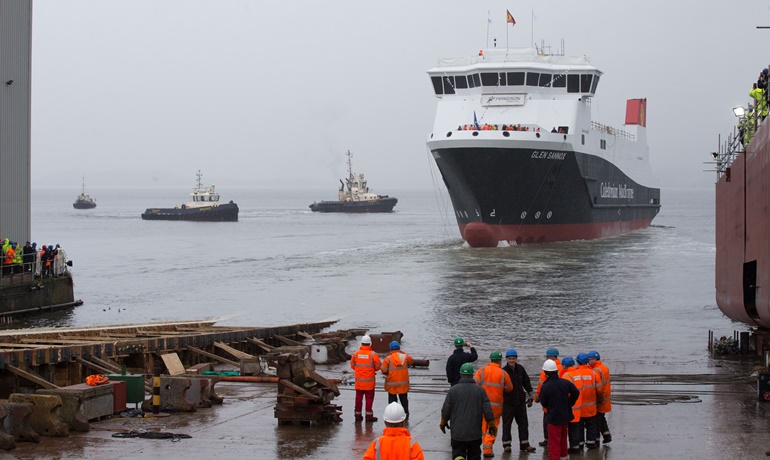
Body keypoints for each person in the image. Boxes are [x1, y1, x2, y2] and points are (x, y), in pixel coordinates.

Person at [441, 362, 496, 460]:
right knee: (474, 455)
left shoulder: (453, 390)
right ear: (472, 375)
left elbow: (446, 409)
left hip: (457, 434)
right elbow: (488, 410)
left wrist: (443, 421)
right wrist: (492, 424)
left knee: (458, 455)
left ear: (461, 375)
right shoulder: (480, 391)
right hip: (474, 434)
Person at [538, 360, 580, 460]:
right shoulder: (565, 383)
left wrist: (550, 407)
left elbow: (543, 401)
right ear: (556, 371)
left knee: (553, 442)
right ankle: (563, 457)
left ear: (545, 372)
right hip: (565, 416)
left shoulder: (546, 386)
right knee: (563, 440)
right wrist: (569, 403)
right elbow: (575, 392)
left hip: (553, 418)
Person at [501, 348, 536, 453]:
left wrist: (531, 396)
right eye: (510, 358)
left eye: (513, 358)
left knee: (523, 424)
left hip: (520, 402)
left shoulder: (520, 369)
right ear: (506, 359)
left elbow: (527, 383)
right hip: (508, 403)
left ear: (516, 359)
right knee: (507, 424)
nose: (512, 360)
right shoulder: (503, 371)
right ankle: (507, 445)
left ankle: (525, 444)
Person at [534, 347, 563, 447]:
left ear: (550, 357)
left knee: (547, 422)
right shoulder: (563, 367)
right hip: (561, 401)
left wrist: (537, 398)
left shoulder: (546, 369)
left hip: (548, 400)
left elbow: (541, 385)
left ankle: (547, 439)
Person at [380, 341, 414, 420]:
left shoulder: (388, 358)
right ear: (399, 348)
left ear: (391, 349)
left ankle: (392, 414)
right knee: (404, 399)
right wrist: (402, 352)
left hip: (392, 384)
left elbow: (383, 370)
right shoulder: (405, 356)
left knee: (392, 401)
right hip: (403, 384)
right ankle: (406, 413)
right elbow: (411, 361)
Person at [351, 335, 381, 422]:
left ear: (361, 343)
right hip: (369, 383)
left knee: (358, 399)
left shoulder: (355, 354)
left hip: (359, 383)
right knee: (369, 399)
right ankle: (369, 417)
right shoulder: (373, 354)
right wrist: (372, 370)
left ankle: (357, 416)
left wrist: (359, 370)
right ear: (370, 344)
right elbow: (378, 366)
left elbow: (352, 365)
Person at [559, 357, 583, 453]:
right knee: (576, 427)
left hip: (570, 406)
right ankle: (576, 446)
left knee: (569, 429)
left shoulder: (566, 376)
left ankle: (573, 448)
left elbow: (564, 392)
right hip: (578, 405)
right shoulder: (578, 374)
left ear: (564, 365)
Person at [588, 350, 612, 444]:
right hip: (605, 398)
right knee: (601, 418)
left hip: (600, 399)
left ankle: (597, 439)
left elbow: (598, 387)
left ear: (594, 359)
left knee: (597, 420)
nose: (588, 361)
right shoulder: (604, 368)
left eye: (589, 359)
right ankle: (607, 436)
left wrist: (597, 399)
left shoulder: (596, 370)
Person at [575, 352, 598, 449]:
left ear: (578, 362)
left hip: (579, 407)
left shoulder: (575, 374)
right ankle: (591, 443)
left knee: (579, 427)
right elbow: (599, 389)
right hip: (591, 406)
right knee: (591, 426)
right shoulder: (593, 373)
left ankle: (580, 443)